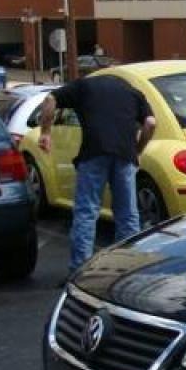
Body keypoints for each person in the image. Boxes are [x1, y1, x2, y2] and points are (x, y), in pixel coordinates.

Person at [38, 74, 156, 275]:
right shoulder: (133, 92)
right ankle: (127, 269)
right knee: (127, 214)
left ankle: (79, 272)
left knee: (87, 212)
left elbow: (50, 100)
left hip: (94, 153)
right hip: (125, 156)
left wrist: (45, 132)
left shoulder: (84, 85)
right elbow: (151, 123)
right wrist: (137, 150)